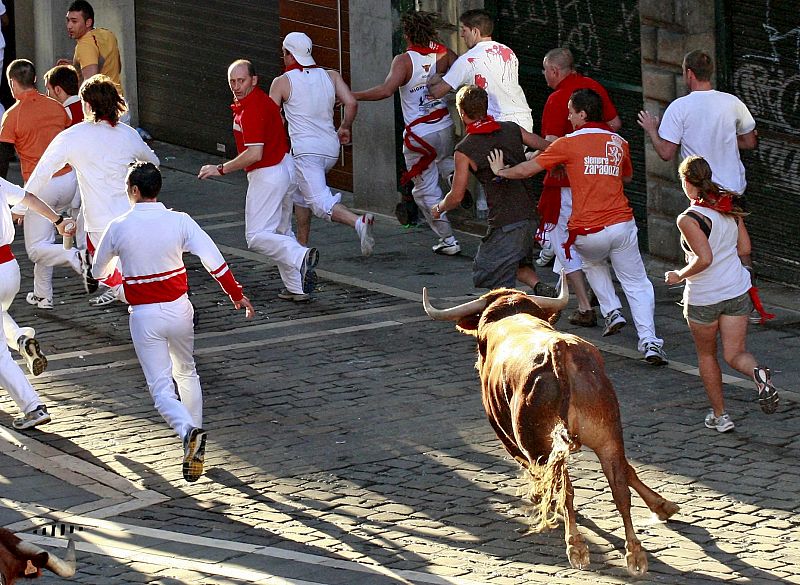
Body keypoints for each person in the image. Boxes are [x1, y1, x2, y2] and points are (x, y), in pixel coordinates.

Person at [92, 162, 254, 481]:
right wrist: (236, 294)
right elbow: (214, 261)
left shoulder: (119, 226)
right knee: (187, 369)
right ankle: (194, 442)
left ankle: (188, 433)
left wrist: (121, 283)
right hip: (180, 309)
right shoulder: (180, 220)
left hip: (145, 315)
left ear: (134, 191)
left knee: (162, 389)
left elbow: (99, 272)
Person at [488, 88, 668, 365]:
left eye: (571, 112)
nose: (569, 117)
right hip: (621, 225)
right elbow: (627, 177)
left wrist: (500, 172)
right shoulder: (619, 142)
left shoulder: (566, 143)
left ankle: (612, 310)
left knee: (591, 261)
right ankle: (650, 341)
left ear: (583, 114)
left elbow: (527, 169)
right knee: (636, 283)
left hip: (587, 231)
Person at [637, 50, 761, 320]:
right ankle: (748, 301)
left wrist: (651, 130)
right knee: (740, 248)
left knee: (698, 247)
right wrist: (727, 139)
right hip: (732, 191)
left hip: (702, 193)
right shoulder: (732, 102)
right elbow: (750, 142)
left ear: (688, 74)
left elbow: (666, 152)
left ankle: (702, 302)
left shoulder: (680, 107)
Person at [664, 156, 779, 432]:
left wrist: (678, 275)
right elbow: (744, 248)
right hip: (736, 290)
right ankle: (758, 374)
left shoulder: (689, 218)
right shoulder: (727, 205)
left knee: (707, 356)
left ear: (686, 183)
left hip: (705, 296)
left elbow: (703, 258)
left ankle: (720, 415)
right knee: (735, 353)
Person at [24, 74, 158, 306]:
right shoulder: (128, 133)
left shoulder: (73, 136)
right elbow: (153, 162)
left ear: (87, 105)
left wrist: (19, 204)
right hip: (131, 216)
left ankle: (153, 303)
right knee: (136, 272)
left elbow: (42, 173)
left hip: (99, 225)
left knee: (106, 274)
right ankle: (162, 302)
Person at [198, 59, 318, 303]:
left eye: (241, 80)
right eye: (232, 81)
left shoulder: (251, 109)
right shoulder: (261, 100)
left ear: (254, 80)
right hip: (285, 166)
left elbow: (255, 153)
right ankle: (297, 288)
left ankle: (299, 255)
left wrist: (220, 169)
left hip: (268, 173)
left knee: (256, 236)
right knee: (281, 231)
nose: (236, 86)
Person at [353, 11, 461, 255]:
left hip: (419, 136)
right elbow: (461, 68)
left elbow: (385, 91)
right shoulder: (442, 53)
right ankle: (455, 180)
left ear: (406, 34)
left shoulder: (403, 60)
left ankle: (448, 240)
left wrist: (354, 95)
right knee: (445, 161)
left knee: (425, 191)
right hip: (443, 125)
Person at [431, 85, 554, 294]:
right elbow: (548, 147)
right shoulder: (511, 128)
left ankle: (507, 313)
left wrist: (439, 208)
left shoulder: (464, 149)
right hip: (530, 216)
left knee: (486, 268)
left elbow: (457, 195)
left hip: (505, 220)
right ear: (486, 108)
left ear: (461, 112)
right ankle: (540, 288)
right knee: (514, 263)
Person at [537, 48, 622, 328]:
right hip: (601, 181)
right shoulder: (594, 87)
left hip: (566, 184)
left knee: (567, 242)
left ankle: (585, 305)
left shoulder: (557, 99)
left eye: (545, 70)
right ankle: (606, 303)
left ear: (555, 71)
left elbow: (550, 143)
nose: (543, 75)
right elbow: (614, 124)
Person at [269, 32, 375, 257]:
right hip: (330, 149)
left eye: (284, 54)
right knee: (300, 194)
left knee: (319, 202)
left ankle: (358, 222)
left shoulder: (282, 82)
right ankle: (301, 248)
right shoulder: (331, 76)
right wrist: (345, 126)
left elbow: (270, 119)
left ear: (289, 54)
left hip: (306, 152)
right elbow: (351, 102)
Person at [0, 59, 88, 310]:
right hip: (69, 182)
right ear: (36, 80)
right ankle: (43, 295)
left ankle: (75, 255)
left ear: (12, 83)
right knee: (45, 238)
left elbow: (2, 160)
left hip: (41, 189)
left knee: (37, 249)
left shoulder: (11, 117)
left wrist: (9, 199)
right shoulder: (57, 108)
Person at [0, 174, 76, 428]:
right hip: (9, 269)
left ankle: (33, 407)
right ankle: (21, 339)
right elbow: (29, 198)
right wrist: (58, 220)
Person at [426, 9, 532, 132]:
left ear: (475, 31)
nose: (461, 35)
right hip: (523, 120)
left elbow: (437, 92)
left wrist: (433, 80)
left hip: (496, 126)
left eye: (464, 30)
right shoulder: (508, 51)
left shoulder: (468, 60)